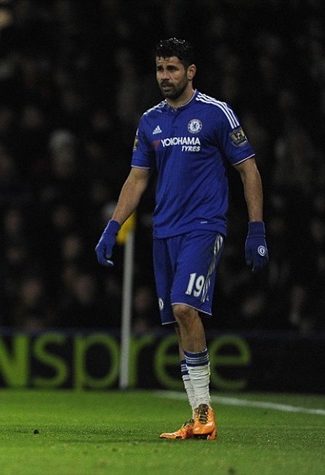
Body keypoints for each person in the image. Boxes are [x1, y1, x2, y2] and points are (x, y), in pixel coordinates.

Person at [94, 38, 268, 441]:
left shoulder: (215, 114)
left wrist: (256, 228)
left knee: (184, 307)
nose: (164, 77)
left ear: (191, 71)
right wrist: (113, 225)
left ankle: (205, 411)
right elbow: (138, 178)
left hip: (204, 227)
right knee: (177, 320)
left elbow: (249, 170)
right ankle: (196, 415)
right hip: (164, 232)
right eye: (159, 69)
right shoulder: (150, 120)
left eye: (172, 69)